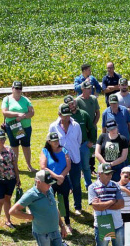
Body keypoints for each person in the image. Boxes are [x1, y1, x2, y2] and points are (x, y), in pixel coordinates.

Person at [9, 170, 79, 246]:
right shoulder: (31, 194)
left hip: (55, 231)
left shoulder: (49, 190)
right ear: (38, 182)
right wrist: (30, 217)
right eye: (47, 183)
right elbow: (13, 211)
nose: (50, 185)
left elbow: (55, 209)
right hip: (42, 233)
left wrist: (62, 226)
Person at [89, 162, 125, 246]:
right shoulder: (92, 187)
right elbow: (95, 206)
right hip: (101, 225)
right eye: (107, 173)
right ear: (100, 174)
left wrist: (103, 204)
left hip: (117, 224)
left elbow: (121, 204)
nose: (109, 175)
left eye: (110, 173)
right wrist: (112, 201)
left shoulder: (116, 185)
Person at [49, 103, 84, 219]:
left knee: (76, 184)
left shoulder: (76, 125)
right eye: (64, 115)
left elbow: (79, 141)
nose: (67, 117)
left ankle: (78, 206)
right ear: (59, 114)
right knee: (61, 186)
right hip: (60, 161)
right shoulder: (53, 126)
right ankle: (62, 208)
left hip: (74, 158)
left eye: (68, 115)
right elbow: (50, 143)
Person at [39, 131, 73, 235]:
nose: (56, 142)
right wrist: (57, 177)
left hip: (63, 179)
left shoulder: (64, 150)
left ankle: (67, 223)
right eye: (53, 141)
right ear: (49, 141)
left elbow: (68, 165)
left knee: (65, 202)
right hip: (50, 181)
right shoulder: (45, 151)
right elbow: (43, 167)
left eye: (57, 140)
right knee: (49, 202)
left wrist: (62, 176)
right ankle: (51, 224)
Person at [1, 81, 36, 173]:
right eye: (16, 88)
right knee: (14, 146)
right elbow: (5, 112)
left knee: (26, 146)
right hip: (12, 126)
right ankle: (15, 166)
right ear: (12, 89)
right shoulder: (7, 99)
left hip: (26, 127)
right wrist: (18, 114)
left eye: (19, 88)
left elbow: (32, 112)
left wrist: (22, 117)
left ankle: (29, 165)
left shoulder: (26, 100)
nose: (17, 90)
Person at [76, 81, 101, 209]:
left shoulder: (93, 99)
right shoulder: (78, 101)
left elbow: (97, 112)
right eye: (87, 88)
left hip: (91, 129)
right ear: (82, 89)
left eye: (91, 88)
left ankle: (89, 174)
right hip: (81, 131)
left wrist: (94, 124)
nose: (90, 90)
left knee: (90, 152)